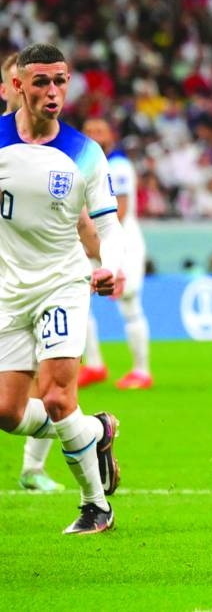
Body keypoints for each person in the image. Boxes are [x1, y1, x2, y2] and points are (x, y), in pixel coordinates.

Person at [0, 43, 124, 533]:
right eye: (41, 82)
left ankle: (97, 506)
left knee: (55, 396)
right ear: (17, 86)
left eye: (60, 81)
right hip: (10, 288)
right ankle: (96, 430)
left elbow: (109, 226)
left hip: (63, 282)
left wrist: (109, 266)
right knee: (8, 412)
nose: (53, 92)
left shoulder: (84, 152)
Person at [78, 118, 153, 390]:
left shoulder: (118, 165)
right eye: (89, 131)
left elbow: (119, 211)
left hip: (123, 242)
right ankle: (94, 364)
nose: (94, 136)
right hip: (93, 241)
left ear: (112, 135)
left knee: (129, 303)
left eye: (100, 130)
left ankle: (141, 371)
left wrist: (101, 245)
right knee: (78, 301)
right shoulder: (85, 164)